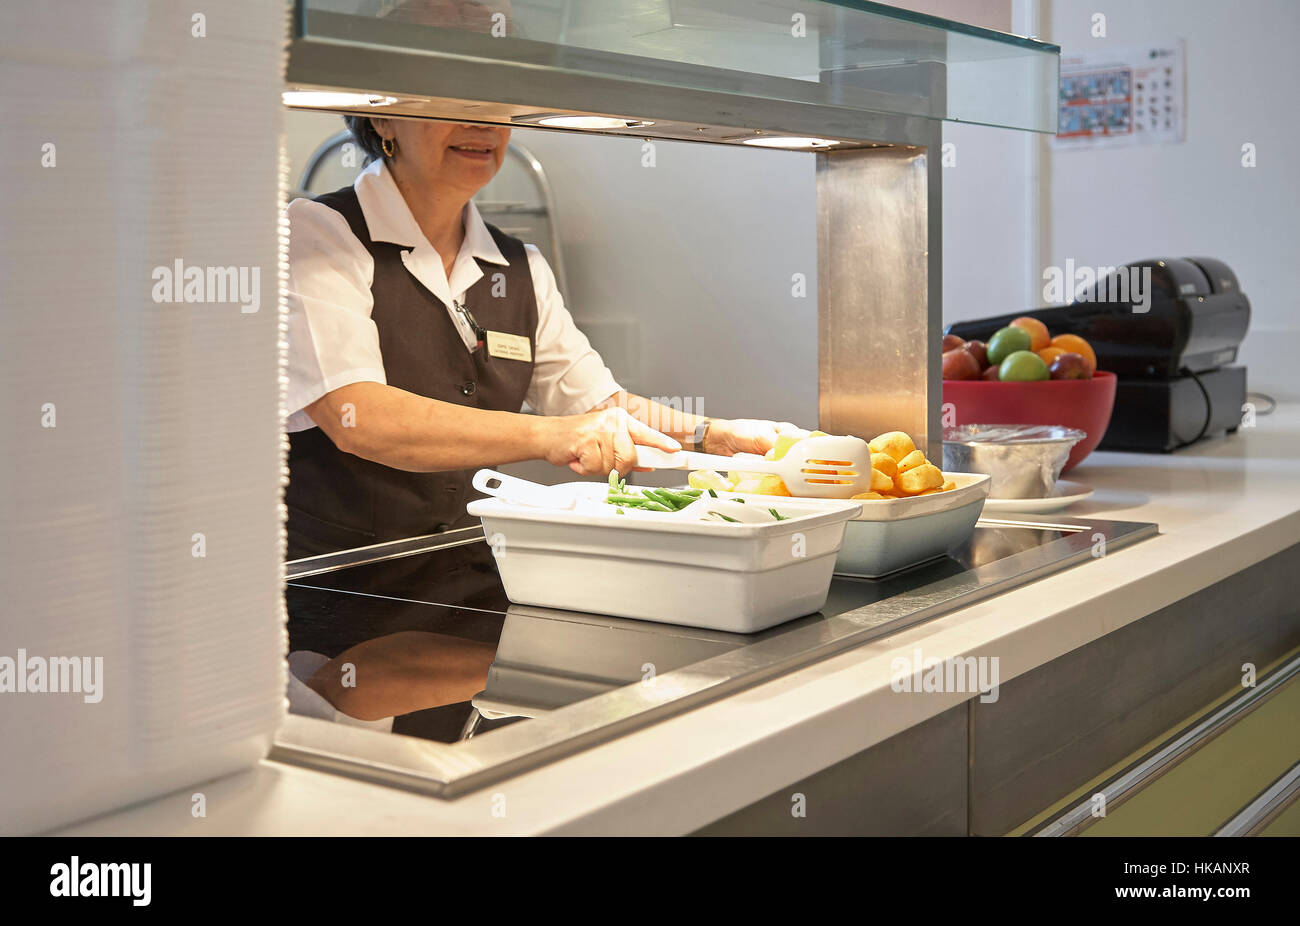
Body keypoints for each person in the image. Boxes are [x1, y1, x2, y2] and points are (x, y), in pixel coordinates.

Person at [284, 115, 795, 557]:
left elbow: (598, 404)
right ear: (382, 118)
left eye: (497, 103)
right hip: (342, 587)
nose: (483, 124)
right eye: (454, 101)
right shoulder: (321, 233)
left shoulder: (518, 265)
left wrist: (712, 434)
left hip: (476, 570)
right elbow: (361, 419)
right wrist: (548, 436)